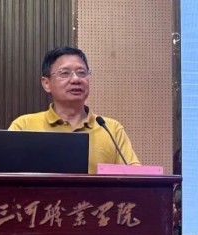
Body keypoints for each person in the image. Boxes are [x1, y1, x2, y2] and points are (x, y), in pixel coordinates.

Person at [8, 46, 141, 174]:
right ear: (46, 83)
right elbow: (5, 174)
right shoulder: (24, 126)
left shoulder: (111, 129)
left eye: (82, 73)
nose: (76, 79)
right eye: (65, 73)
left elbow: (136, 178)